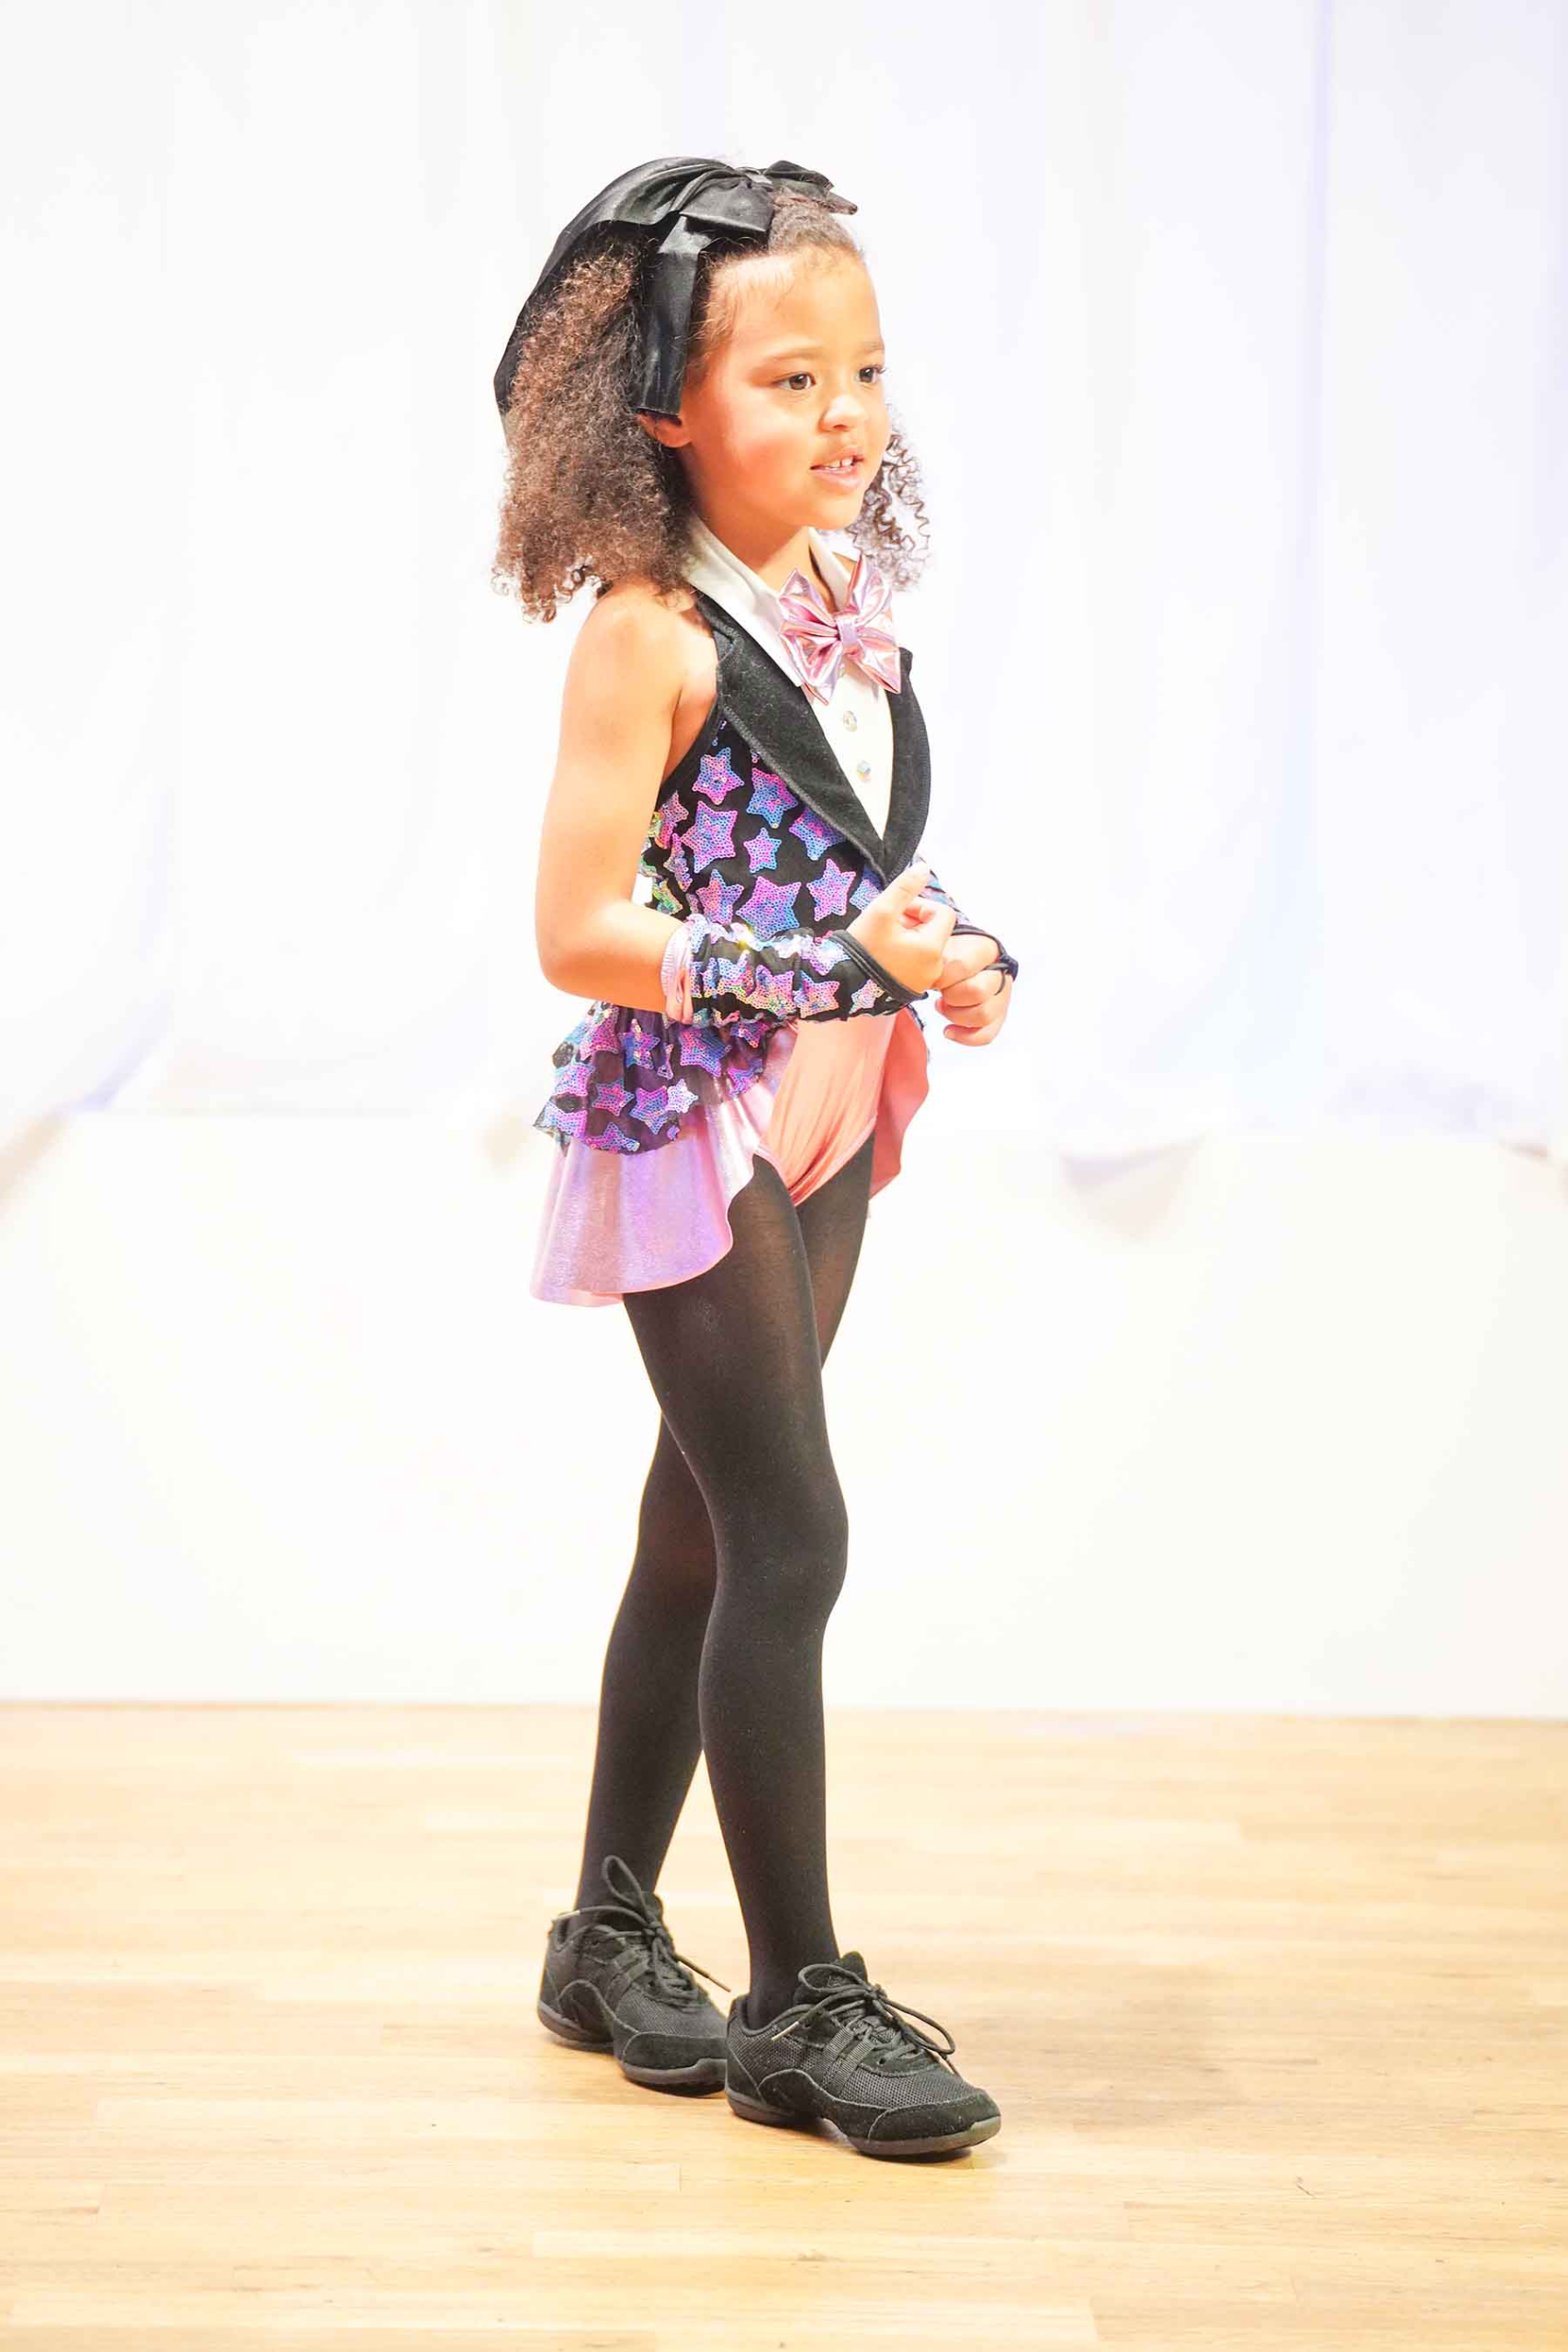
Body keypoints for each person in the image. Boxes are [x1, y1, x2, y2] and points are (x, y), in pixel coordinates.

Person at [491, 157, 1018, 2160]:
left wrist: (949, 951)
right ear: (658, 409)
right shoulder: (650, 632)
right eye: (790, 379)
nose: (845, 414)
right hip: (694, 1115)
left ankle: (605, 1933)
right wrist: (822, 966)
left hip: (831, 1100)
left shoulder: (839, 612)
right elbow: (577, 930)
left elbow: (843, 866)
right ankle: (798, 2000)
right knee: (791, 1537)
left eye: (863, 370)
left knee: (705, 1532)